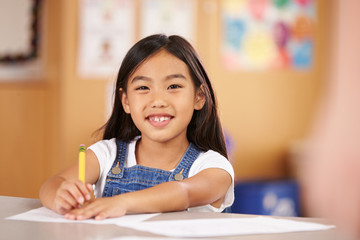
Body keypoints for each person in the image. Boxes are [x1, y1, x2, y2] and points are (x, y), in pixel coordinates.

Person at [39, 34, 234, 220]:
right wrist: (61, 197)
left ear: (199, 97)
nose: (158, 101)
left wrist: (119, 203)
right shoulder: (106, 154)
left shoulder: (214, 167)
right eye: (143, 88)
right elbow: (51, 185)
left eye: (173, 86)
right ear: (126, 101)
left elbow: (182, 192)